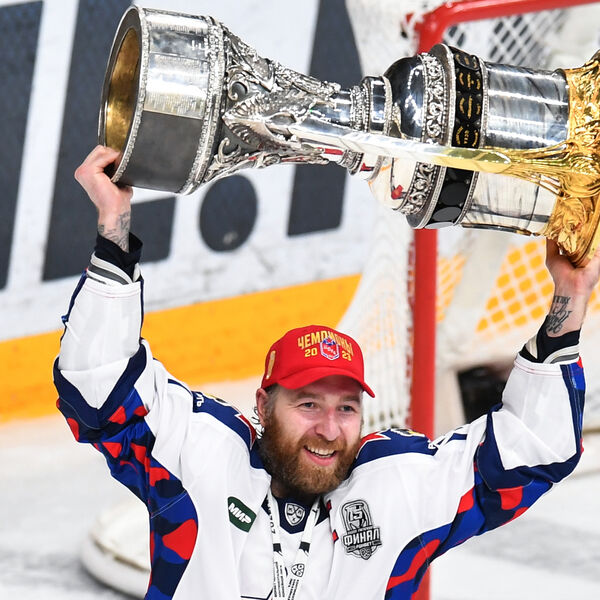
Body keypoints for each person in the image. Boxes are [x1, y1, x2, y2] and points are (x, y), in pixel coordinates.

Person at [55, 145, 600, 600]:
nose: (329, 428)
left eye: (346, 407)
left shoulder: (395, 487)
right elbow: (98, 385)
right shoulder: (205, 456)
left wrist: (570, 300)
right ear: (263, 405)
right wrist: (114, 226)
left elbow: (531, 450)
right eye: (308, 403)